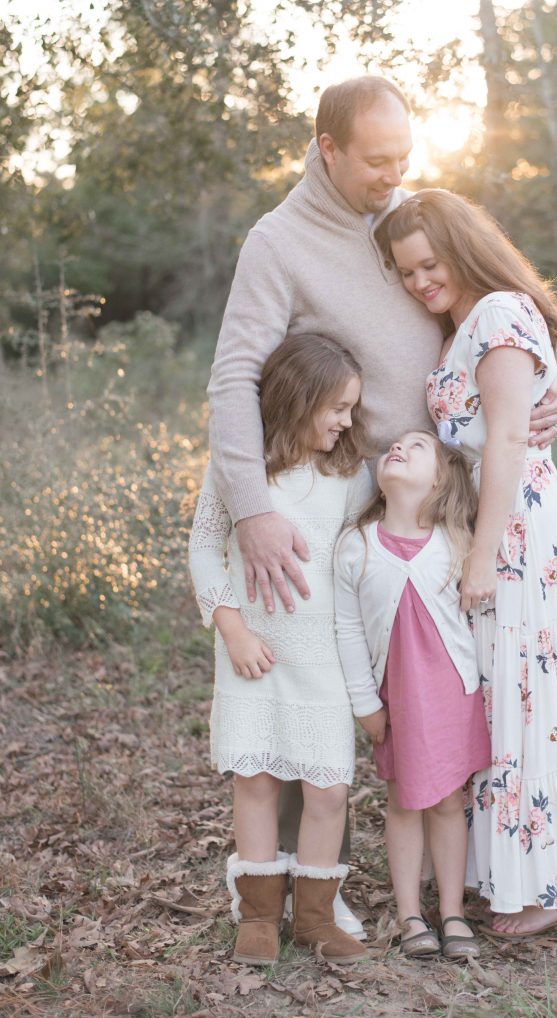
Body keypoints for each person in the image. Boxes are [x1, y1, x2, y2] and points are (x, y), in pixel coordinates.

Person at [207, 75, 557, 930]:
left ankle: (491, 871)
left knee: (469, 684)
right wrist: (253, 509)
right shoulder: (277, 243)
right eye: (377, 162)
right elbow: (233, 375)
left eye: (403, 159)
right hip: (359, 503)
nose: (393, 178)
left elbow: (514, 307)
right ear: (327, 148)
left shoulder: (413, 217)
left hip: (462, 502)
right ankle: (299, 893)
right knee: (331, 681)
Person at [377, 189, 557, 939]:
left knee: (530, 699)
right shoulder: (470, 323)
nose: (418, 281)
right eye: (404, 271)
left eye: (427, 263)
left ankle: (549, 885)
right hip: (491, 520)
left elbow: (507, 439)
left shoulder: (500, 314)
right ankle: (525, 871)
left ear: (460, 246)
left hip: (516, 529)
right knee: (505, 695)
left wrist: (482, 554)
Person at [189, 334, 374, 966]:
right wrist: (233, 630)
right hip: (253, 654)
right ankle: (260, 916)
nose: (347, 421)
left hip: (320, 655)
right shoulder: (238, 469)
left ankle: (315, 919)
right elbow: (202, 549)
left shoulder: (347, 475)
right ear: (300, 399)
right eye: (338, 407)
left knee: (327, 791)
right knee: (257, 780)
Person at [334, 430, 491, 959]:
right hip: (396, 699)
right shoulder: (358, 543)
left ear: (441, 478)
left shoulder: (457, 541)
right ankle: (409, 915)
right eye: (394, 446)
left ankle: (452, 911)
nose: (397, 449)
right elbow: (348, 630)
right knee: (403, 801)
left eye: (417, 446)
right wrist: (365, 704)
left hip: (450, 695)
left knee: (449, 801)